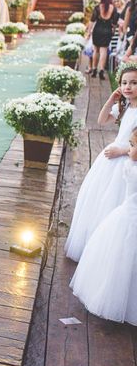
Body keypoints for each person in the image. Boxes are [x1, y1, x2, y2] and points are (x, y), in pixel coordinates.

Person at [65, 63, 137, 261]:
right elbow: (101, 120)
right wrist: (111, 99)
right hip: (112, 158)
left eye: (134, 82)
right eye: (124, 83)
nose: (128, 86)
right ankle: (93, 248)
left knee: (116, 203)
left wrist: (121, 150)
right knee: (100, 199)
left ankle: (111, 254)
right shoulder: (125, 106)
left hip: (127, 159)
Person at [70, 126, 137, 325]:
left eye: (133, 146)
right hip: (128, 216)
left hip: (127, 217)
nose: (129, 149)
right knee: (123, 260)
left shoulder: (131, 169)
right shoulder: (131, 169)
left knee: (121, 258)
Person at [86, 0, 119, 80]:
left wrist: (89, 32)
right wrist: (113, 31)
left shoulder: (97, 8)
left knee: (96, 50)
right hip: (107, 30)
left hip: (97, 30)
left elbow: (92, 21)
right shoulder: (114, 9)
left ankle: (94, 69)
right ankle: (101, 70)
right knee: (103, 51)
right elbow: (115, 24)